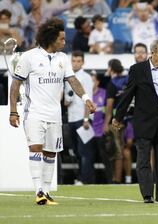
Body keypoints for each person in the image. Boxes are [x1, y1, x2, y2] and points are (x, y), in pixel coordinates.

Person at [9, 18, 96, 205]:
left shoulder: (63, 59)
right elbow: (15, 85)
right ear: (51, 39)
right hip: (34, 113)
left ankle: (46, 193)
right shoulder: (29, 57)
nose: (65, 42)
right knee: (35, 149)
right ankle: (38, 191)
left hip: (55, 115)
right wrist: (13, 111)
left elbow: (73, 81)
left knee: (51, 154)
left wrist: (86, 98)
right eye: (62, 39)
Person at [112, 39, 158, 203]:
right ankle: (147, 194)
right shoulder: (137, 70)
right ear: (153, 52)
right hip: (143, 122)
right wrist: (118, 117)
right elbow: (128, 94)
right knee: (143, 160)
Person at [64, 50, 94, 184]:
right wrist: (68, 99)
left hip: (82, 119)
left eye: (78, 61)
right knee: (75, 151)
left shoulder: (86, 77)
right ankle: (80, 177)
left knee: (84, 151)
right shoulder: (67, 78)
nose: (75, 63)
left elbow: (89, 99)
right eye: (73, 61)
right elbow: (66, 101)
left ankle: (85, 179)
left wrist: (86, 119)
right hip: (71, 118)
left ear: (82, 62)